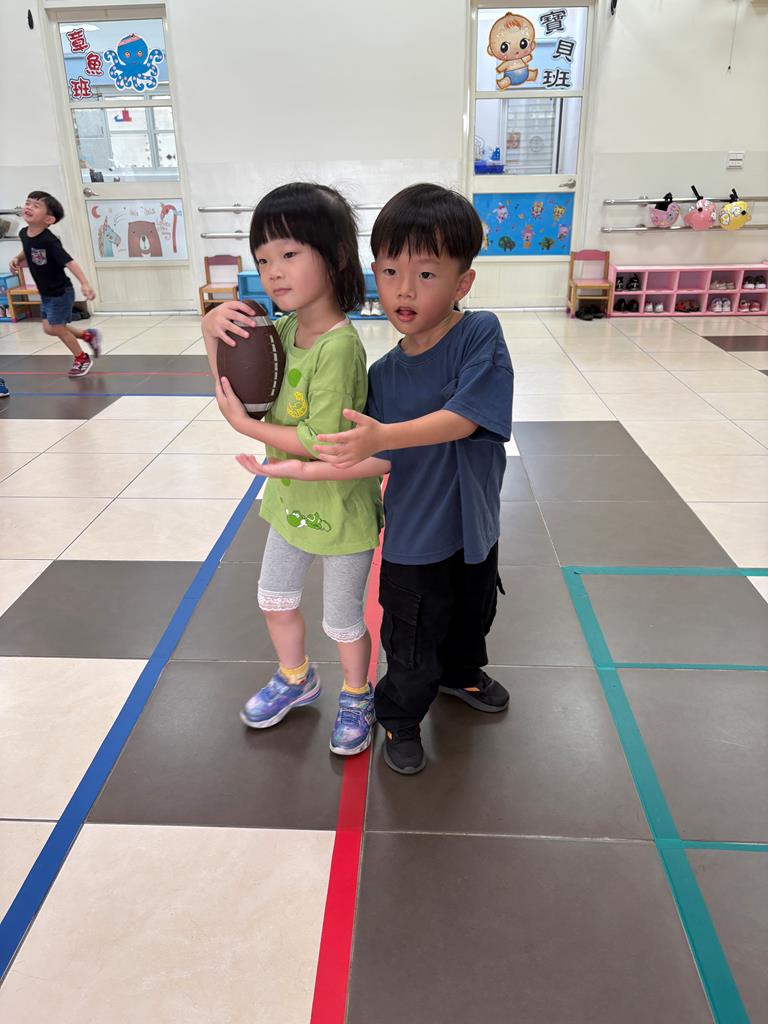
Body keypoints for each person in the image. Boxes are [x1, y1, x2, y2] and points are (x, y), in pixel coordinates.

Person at [237, 183, 514, 775]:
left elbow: (464, 419)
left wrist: (380, 436)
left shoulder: (479, 335)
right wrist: (302, 467)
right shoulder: (383, 374)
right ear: (372, 275)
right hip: (415, 533)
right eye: (390, 272)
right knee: (410, 637)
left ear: (463, 282)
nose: (404, 290)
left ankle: (462, 674)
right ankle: (400, 718)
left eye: (426, 274)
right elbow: (377, 458)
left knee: (472, 613)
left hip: (475, 524)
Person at [202, 182, 383, 756]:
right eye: (262, 260)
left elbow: (317, 442)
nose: (273, 272)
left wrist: (248, 430)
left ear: (335, 255)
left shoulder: (339, 347)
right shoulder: (279, 332)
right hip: (288, 503)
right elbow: (235, 389)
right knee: (274, 599)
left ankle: (357, 692)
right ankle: (296, 678)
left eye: (288, 254)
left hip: (340, 510)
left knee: (342, 621)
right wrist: (210, 332)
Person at [10, 192, 101, 378]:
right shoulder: (24, 233)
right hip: (46, 292)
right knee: (49, 328)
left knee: (58, 328)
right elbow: (28, 248)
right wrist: (18, 258)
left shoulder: (50, 241)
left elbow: (70, 262)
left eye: (36, 206)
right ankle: (88, 335)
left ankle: (82, 358)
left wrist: (84, 283)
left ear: (49, 219)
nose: (29, 207)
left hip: (60, 292)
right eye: (28, 203)